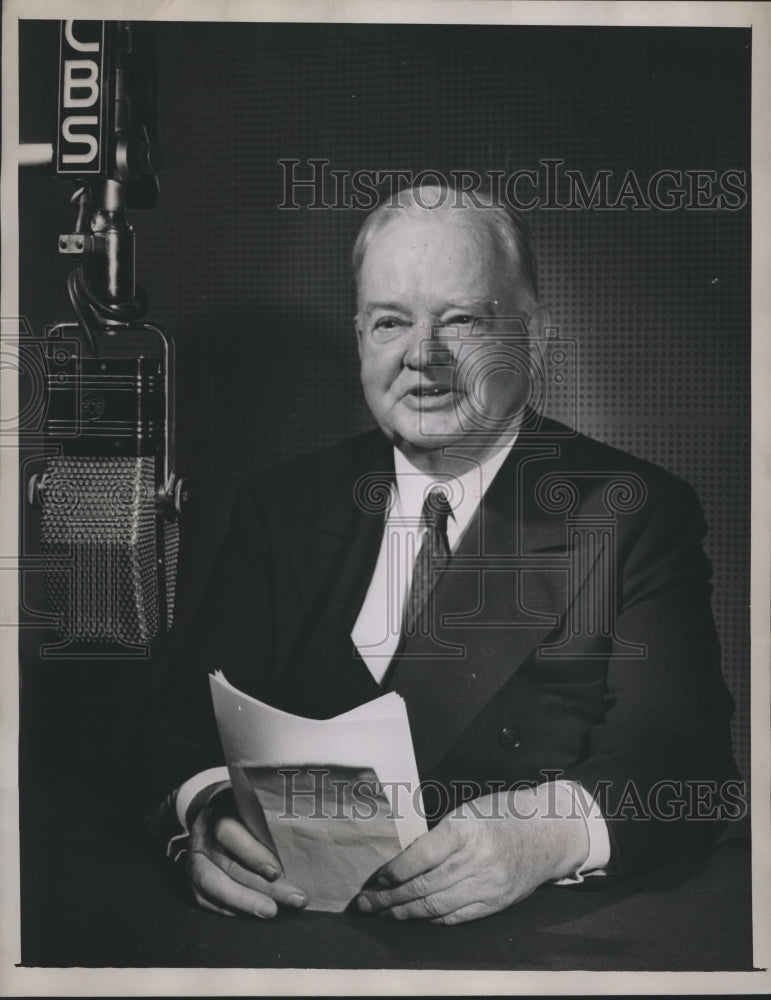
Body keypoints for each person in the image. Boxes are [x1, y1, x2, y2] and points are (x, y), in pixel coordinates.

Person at [135, 182, 738, 925]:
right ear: (361, 339)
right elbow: (179, 721)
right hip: (281, 945)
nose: (424, 356)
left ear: (535, 337)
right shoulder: (282, 504)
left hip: (516, 952)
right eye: (391, 322)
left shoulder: (629, 511)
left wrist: (542, 838)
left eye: (461, 321)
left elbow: (683, 762)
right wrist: (204, 811)